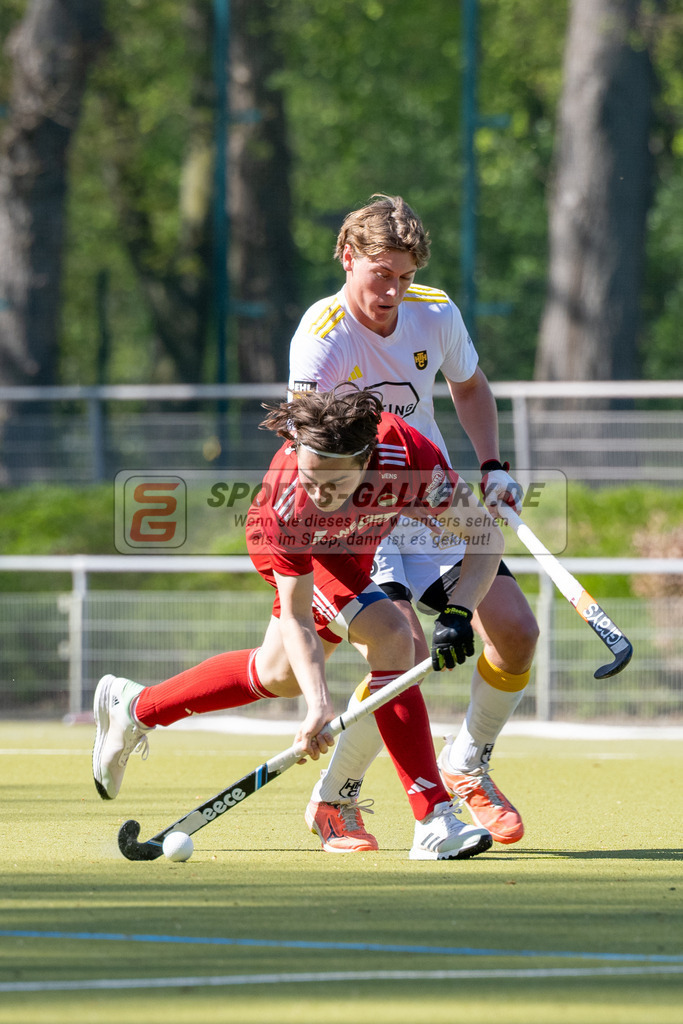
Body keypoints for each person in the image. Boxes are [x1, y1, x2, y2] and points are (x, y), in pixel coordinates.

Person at [92, 386, 504, 861]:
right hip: (299, 552)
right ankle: (433, 817)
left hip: (355, 545)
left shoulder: (408, 458)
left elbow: (484, 535)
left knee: (278, 676)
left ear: (366, 460)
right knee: (394, 639)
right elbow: (297, 613)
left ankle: (136, 706)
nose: (318, 493)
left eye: (332, 484)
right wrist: (319, 706)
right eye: (311, 478)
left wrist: (459, 611)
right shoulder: (289, 500)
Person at [289, 194, 539, 853]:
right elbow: (305, 446)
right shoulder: (321, 336)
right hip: (362, 514)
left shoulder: (434, 311)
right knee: (401, 655)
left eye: (403, 276)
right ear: (347, 258)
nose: (393, 292)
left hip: (427, 497)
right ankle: (334, 799)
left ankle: (468, 761)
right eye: (381, 276)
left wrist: (491, 463)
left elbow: (469, 386)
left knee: (514, 631)